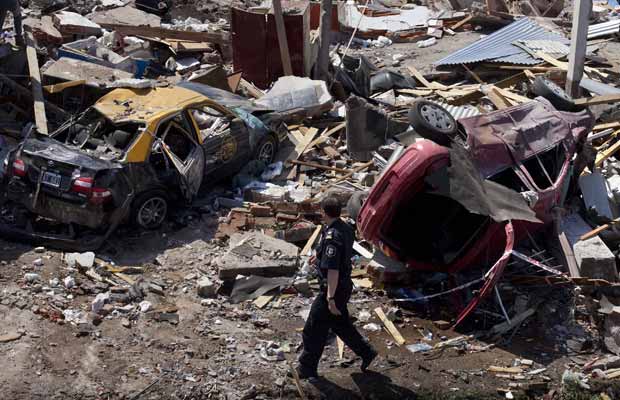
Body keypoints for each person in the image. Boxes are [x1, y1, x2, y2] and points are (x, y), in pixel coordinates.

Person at [296, 195, 377, 379]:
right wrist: (320, 256)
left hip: (333, 289)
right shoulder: (344, 227)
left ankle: (306, 368)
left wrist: (330, 298)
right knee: (340, 325)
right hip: (343, 286)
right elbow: (340, 253)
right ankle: (367, 352)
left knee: (313, 329)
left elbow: (333, 270)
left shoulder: (333, 236)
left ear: (324, 213)